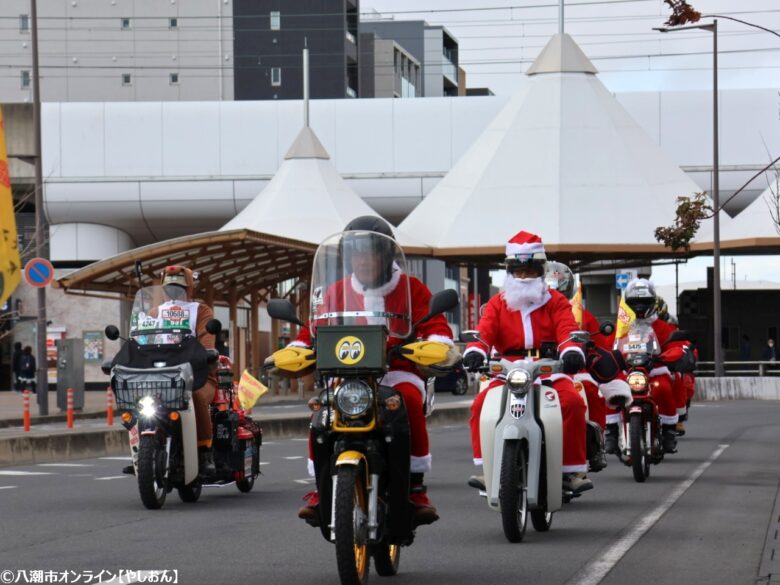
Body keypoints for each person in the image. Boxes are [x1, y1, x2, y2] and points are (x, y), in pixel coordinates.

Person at [284, 215, 457, 527]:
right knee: (322, 413)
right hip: (347, 375)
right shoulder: (336, 290)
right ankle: (322, 490)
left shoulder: (411, 288)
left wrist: (436, 344)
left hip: (397, 372)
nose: (362, 260)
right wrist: (296, 349)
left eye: (371, 252)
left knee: (407, 401)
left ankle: (415, 487)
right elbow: (313, 329)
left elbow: (435, 326)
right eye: (356, 254)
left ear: (387, 255)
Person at [462, 231, 592, 495]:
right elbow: (484, 332)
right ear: (509, 272)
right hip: (507, 370)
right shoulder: (498, 303)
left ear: (541, 271)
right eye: (517, 271)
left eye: (529, 271)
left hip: (548, 368)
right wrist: (475, 350)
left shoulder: (556, 301)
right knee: (480, 406)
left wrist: (571, 351)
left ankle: (569, 472)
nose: (523, 277)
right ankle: (489, 470)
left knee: (572, 403)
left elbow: (567, 330)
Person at [610, 279, 690, 454]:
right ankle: (611, 431)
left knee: (664, 388)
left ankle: (669, 431)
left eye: (644, 302)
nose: (639, 306)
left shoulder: (661, 326)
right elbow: (609, 345)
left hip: (654, 370)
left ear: (652, 302)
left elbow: (677, 345)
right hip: (627, 371)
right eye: (634, 302)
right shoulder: (622, 326)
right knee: (609, 388)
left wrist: (669, 356)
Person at [159, 265, 219, 475]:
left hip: (198, 376)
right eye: (170, 287)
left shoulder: (201, 311)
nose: (174, 291)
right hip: (162, 377)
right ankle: (144, 449)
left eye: (179, 287)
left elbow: (207, 341)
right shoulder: (154, 311)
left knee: (194, 395)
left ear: (189, 287)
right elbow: (139, 336)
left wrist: (207, 353)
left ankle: (205, 450)